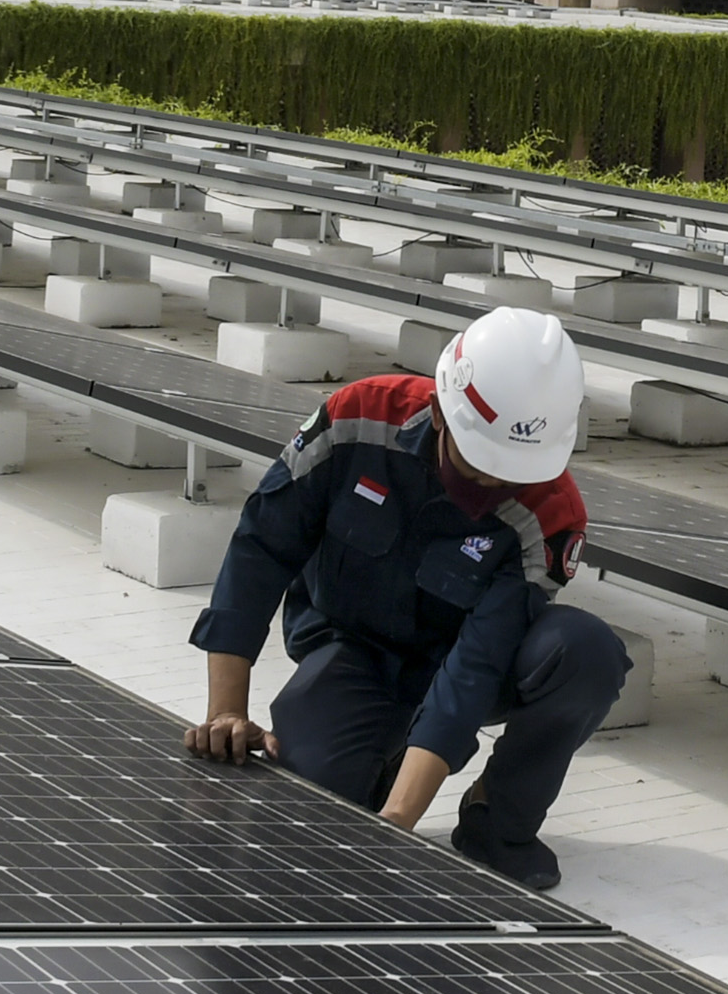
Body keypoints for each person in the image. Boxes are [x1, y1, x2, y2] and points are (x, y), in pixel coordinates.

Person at [183, 305, 630, 890]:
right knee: (314, 804)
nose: (491, 485)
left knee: (585, 652)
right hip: (353, 650)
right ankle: (381, 759)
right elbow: (260, 547)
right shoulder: (357, 418)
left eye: (510, 472)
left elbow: (476, 665)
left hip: (465, 663)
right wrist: (225, 710)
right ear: (442, 413)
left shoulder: (549, 510)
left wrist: (397, 823)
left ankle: (497, 821)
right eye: (481, 463)